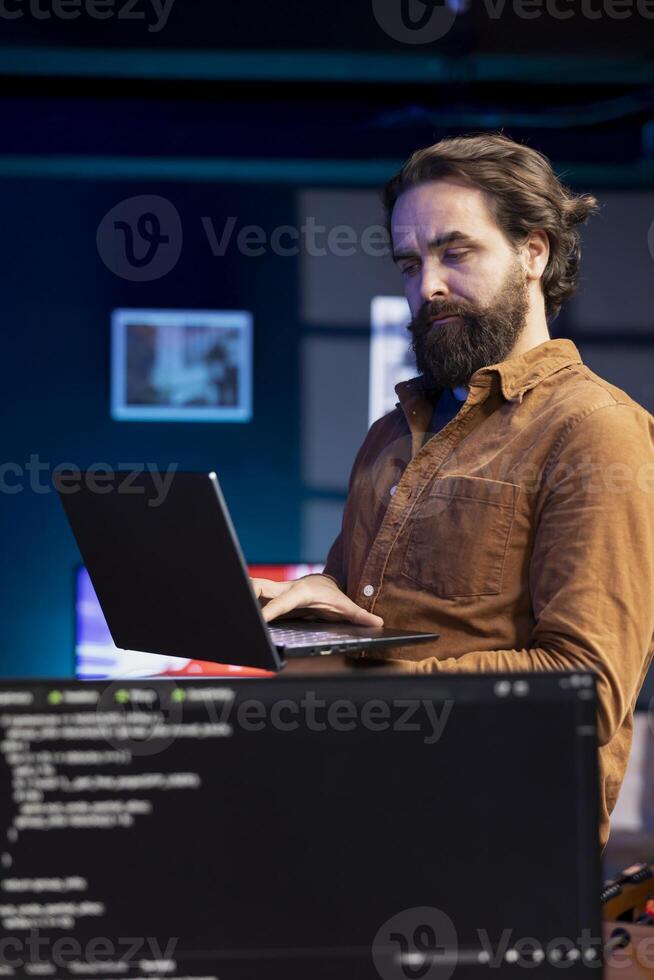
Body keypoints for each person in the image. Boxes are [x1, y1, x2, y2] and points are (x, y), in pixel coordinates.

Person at [252, 133, 654, 848]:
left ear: (534, 253)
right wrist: (312, 612)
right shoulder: (390, 434)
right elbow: (369, 624)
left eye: (455, 252)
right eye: (410, 263)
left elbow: (584, 690)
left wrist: (361, 694)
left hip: (488, 847)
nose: (426, 284)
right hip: (351, 812)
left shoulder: (597, 432)